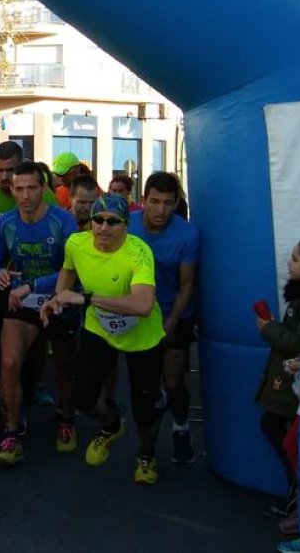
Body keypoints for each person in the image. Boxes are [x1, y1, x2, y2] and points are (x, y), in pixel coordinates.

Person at [40, 194, 165, 484]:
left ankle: (146, 453)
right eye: (98, 219)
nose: (104, 227)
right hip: (101, 329)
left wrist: (84, 298)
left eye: (113, 222)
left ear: (126, 226)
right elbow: (68, 269)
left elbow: (143, 305)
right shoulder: (76, 243)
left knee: (144, 410)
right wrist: (59, 296)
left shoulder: (139, 252)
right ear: (90, 223)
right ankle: (111, 425)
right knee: (82, 396)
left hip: (142, 337)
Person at [0, 162, 80, 467]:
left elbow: (73, 269)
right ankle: (12, 432)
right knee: (9, 363)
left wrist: (36, 284)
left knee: (64, 367)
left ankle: (66, 420)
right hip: (21, 301)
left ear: (43, 188)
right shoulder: (5, 223)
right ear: (11, 189)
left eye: (31, 188)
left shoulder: (63, 222)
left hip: (59, 299)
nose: (25, 195)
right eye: (18, 188)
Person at [128, 171, 200, 464]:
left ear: (176, 203)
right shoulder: (127, 227)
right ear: (143, 200)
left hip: (175, 312)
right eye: (154, 201)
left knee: (173, 382)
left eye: (168, 203)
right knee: (144, 387)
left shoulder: (187, 234)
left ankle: (181, 427)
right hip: (138, 313)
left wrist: (172, 321)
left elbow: (187, 284)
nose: (160, 209)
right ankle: (147, 451)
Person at [256, 240, 300, 532]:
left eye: (296, 259)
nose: (290, 262)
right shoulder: (297, 297)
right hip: (291, 383)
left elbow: (296, 343)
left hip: (293, 385)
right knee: (282, 434)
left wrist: (267, 328)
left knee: (280, 432)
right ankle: (294, 500)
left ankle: (294, 501)